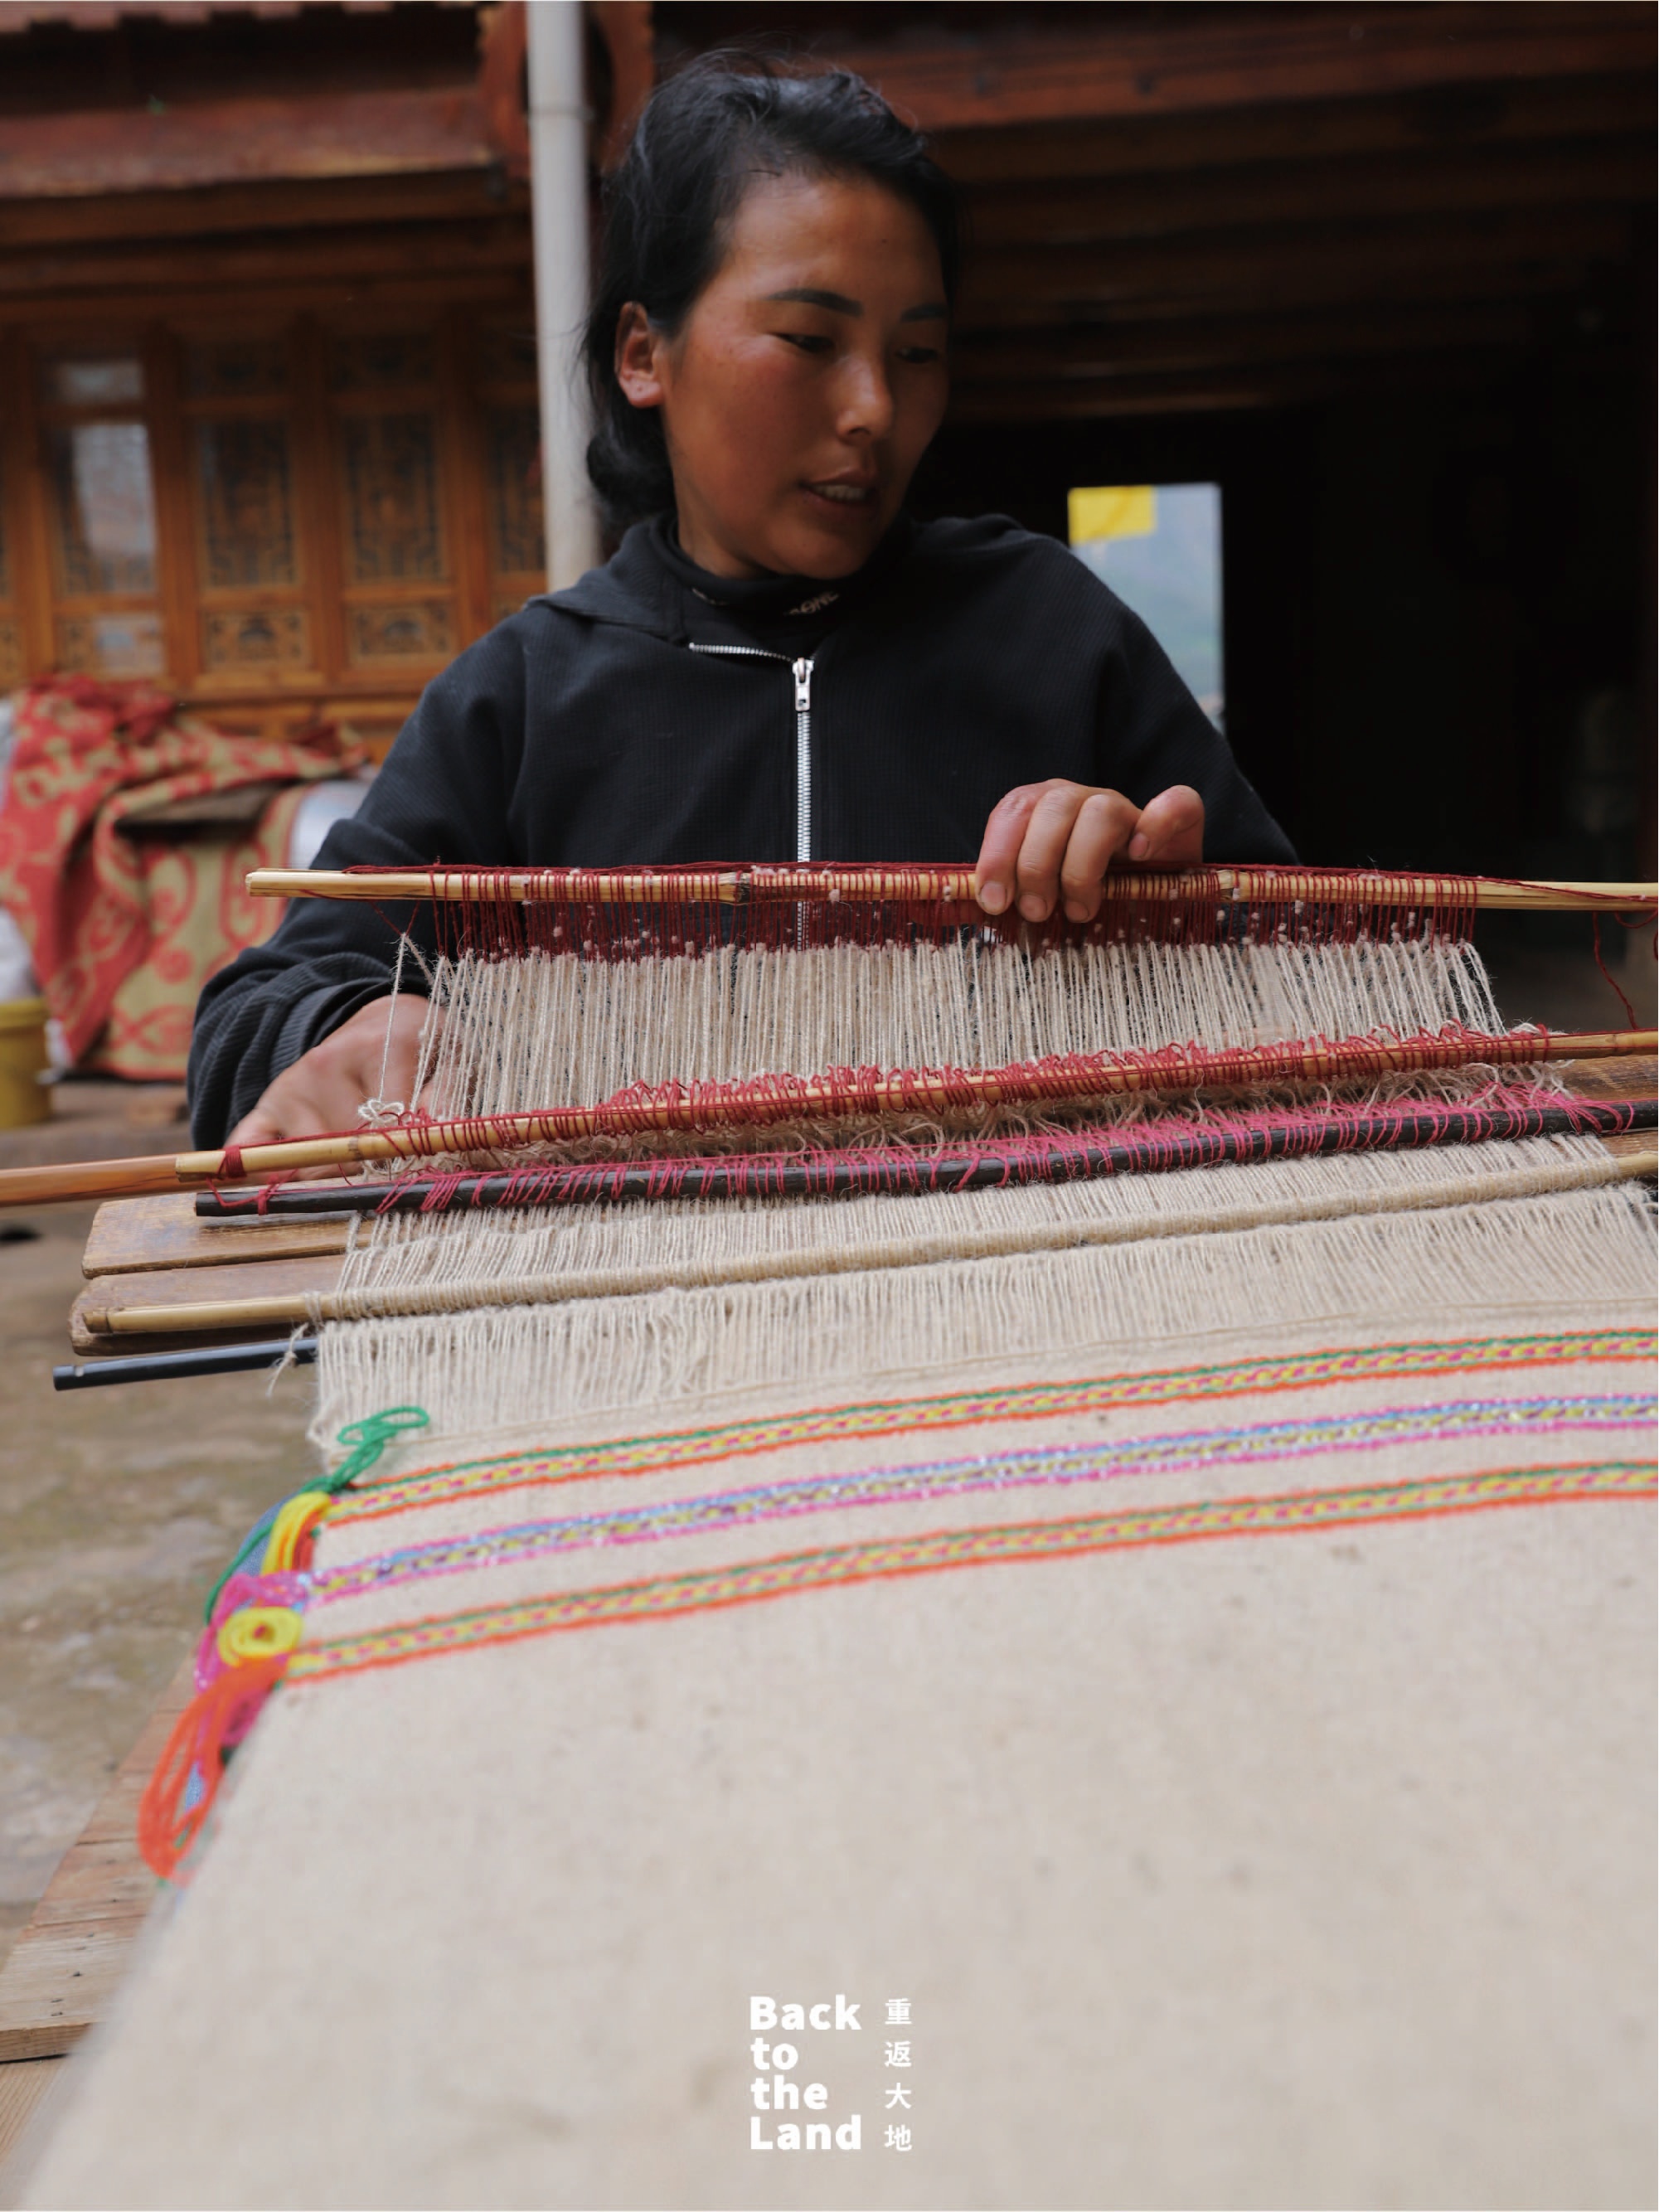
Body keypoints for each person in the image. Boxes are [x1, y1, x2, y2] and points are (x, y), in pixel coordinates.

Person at [188, 60, 1293, 1150]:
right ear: (642, 355)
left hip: (1006, 1294)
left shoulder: (1051, 633)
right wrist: (352, 1025)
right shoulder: (524, 697)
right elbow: (253, 1014)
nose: (874, 407)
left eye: (916, 352)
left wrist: (1172, 914)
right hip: (639, 1311)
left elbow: (1317, 969)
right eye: (809, 341)